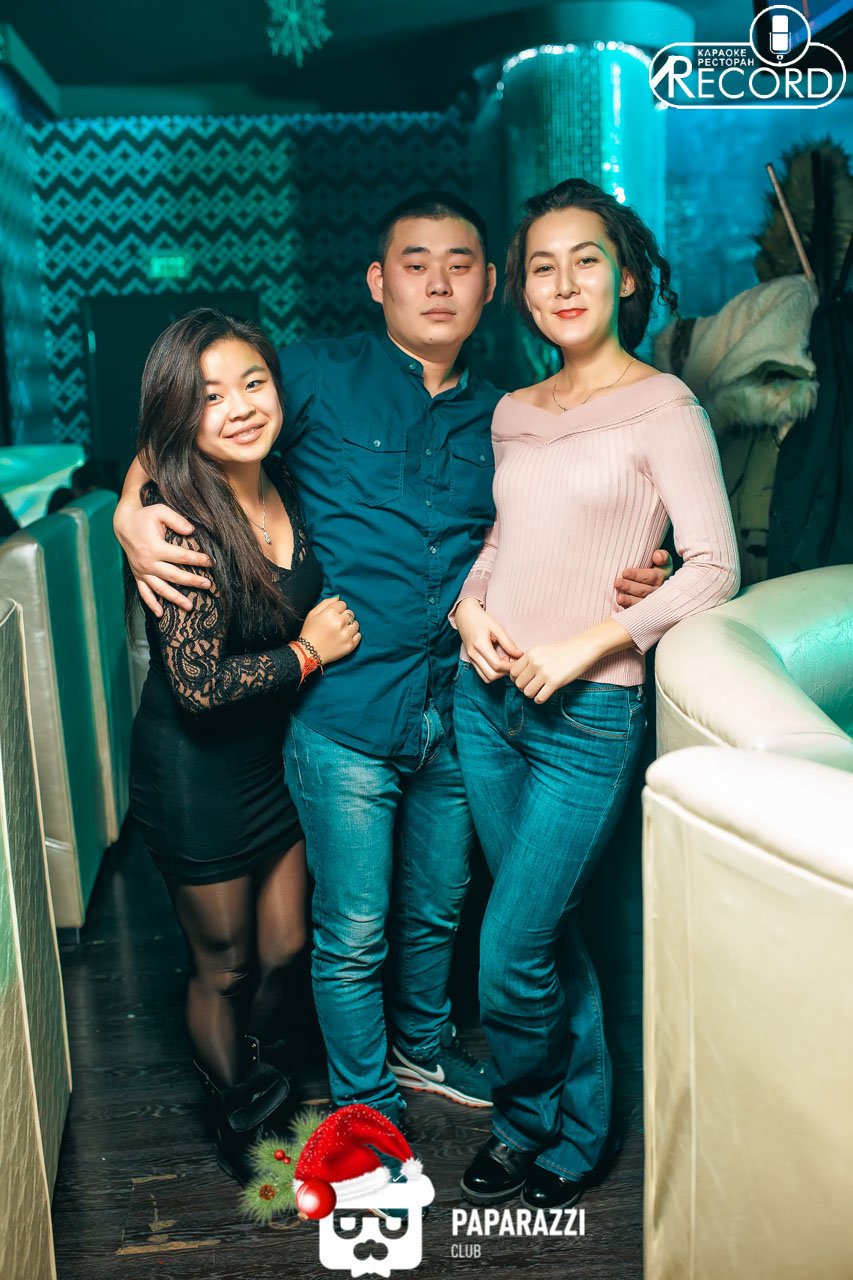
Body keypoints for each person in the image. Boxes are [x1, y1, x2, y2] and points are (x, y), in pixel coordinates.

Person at [115, 192, 672, 1128]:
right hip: (341, 713)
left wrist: (640, 569)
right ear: (379, 282)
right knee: (353, 929)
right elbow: (194, 417)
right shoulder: (310, 376)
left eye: (460, 265)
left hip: (458, 709)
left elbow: (558, 530)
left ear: (490, 287)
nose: (438, 283)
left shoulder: (512, 416)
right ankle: (364, 1101)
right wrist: (134, 511)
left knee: (436, 909)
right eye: (416, 264)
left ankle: (421, 1046)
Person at [452, 178, 740, 1211]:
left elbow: (712, 568)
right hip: (485, 703)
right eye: (542, 265)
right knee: (543, 937)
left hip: (586, 717)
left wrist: (587, 645)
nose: (563, 281)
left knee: (510, 946)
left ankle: (545, 1123)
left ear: (624, 277)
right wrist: (467, 609)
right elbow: (505, 539)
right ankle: (555, 1126)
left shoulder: (666, 406)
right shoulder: (512, 411)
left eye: (586, 259)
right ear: (521, 288)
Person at [126, 307, 359, 1181]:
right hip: (194, 774)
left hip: (271, 761)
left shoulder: (285, 478)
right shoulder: (177, 519)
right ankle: (238, 1107)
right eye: (210, 396)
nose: (239, 407)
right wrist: (308, 653)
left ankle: (257, 1063)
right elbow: (196, 684)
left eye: (252, 383)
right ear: (179, 415)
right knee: (222, 966)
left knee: (288, 945)